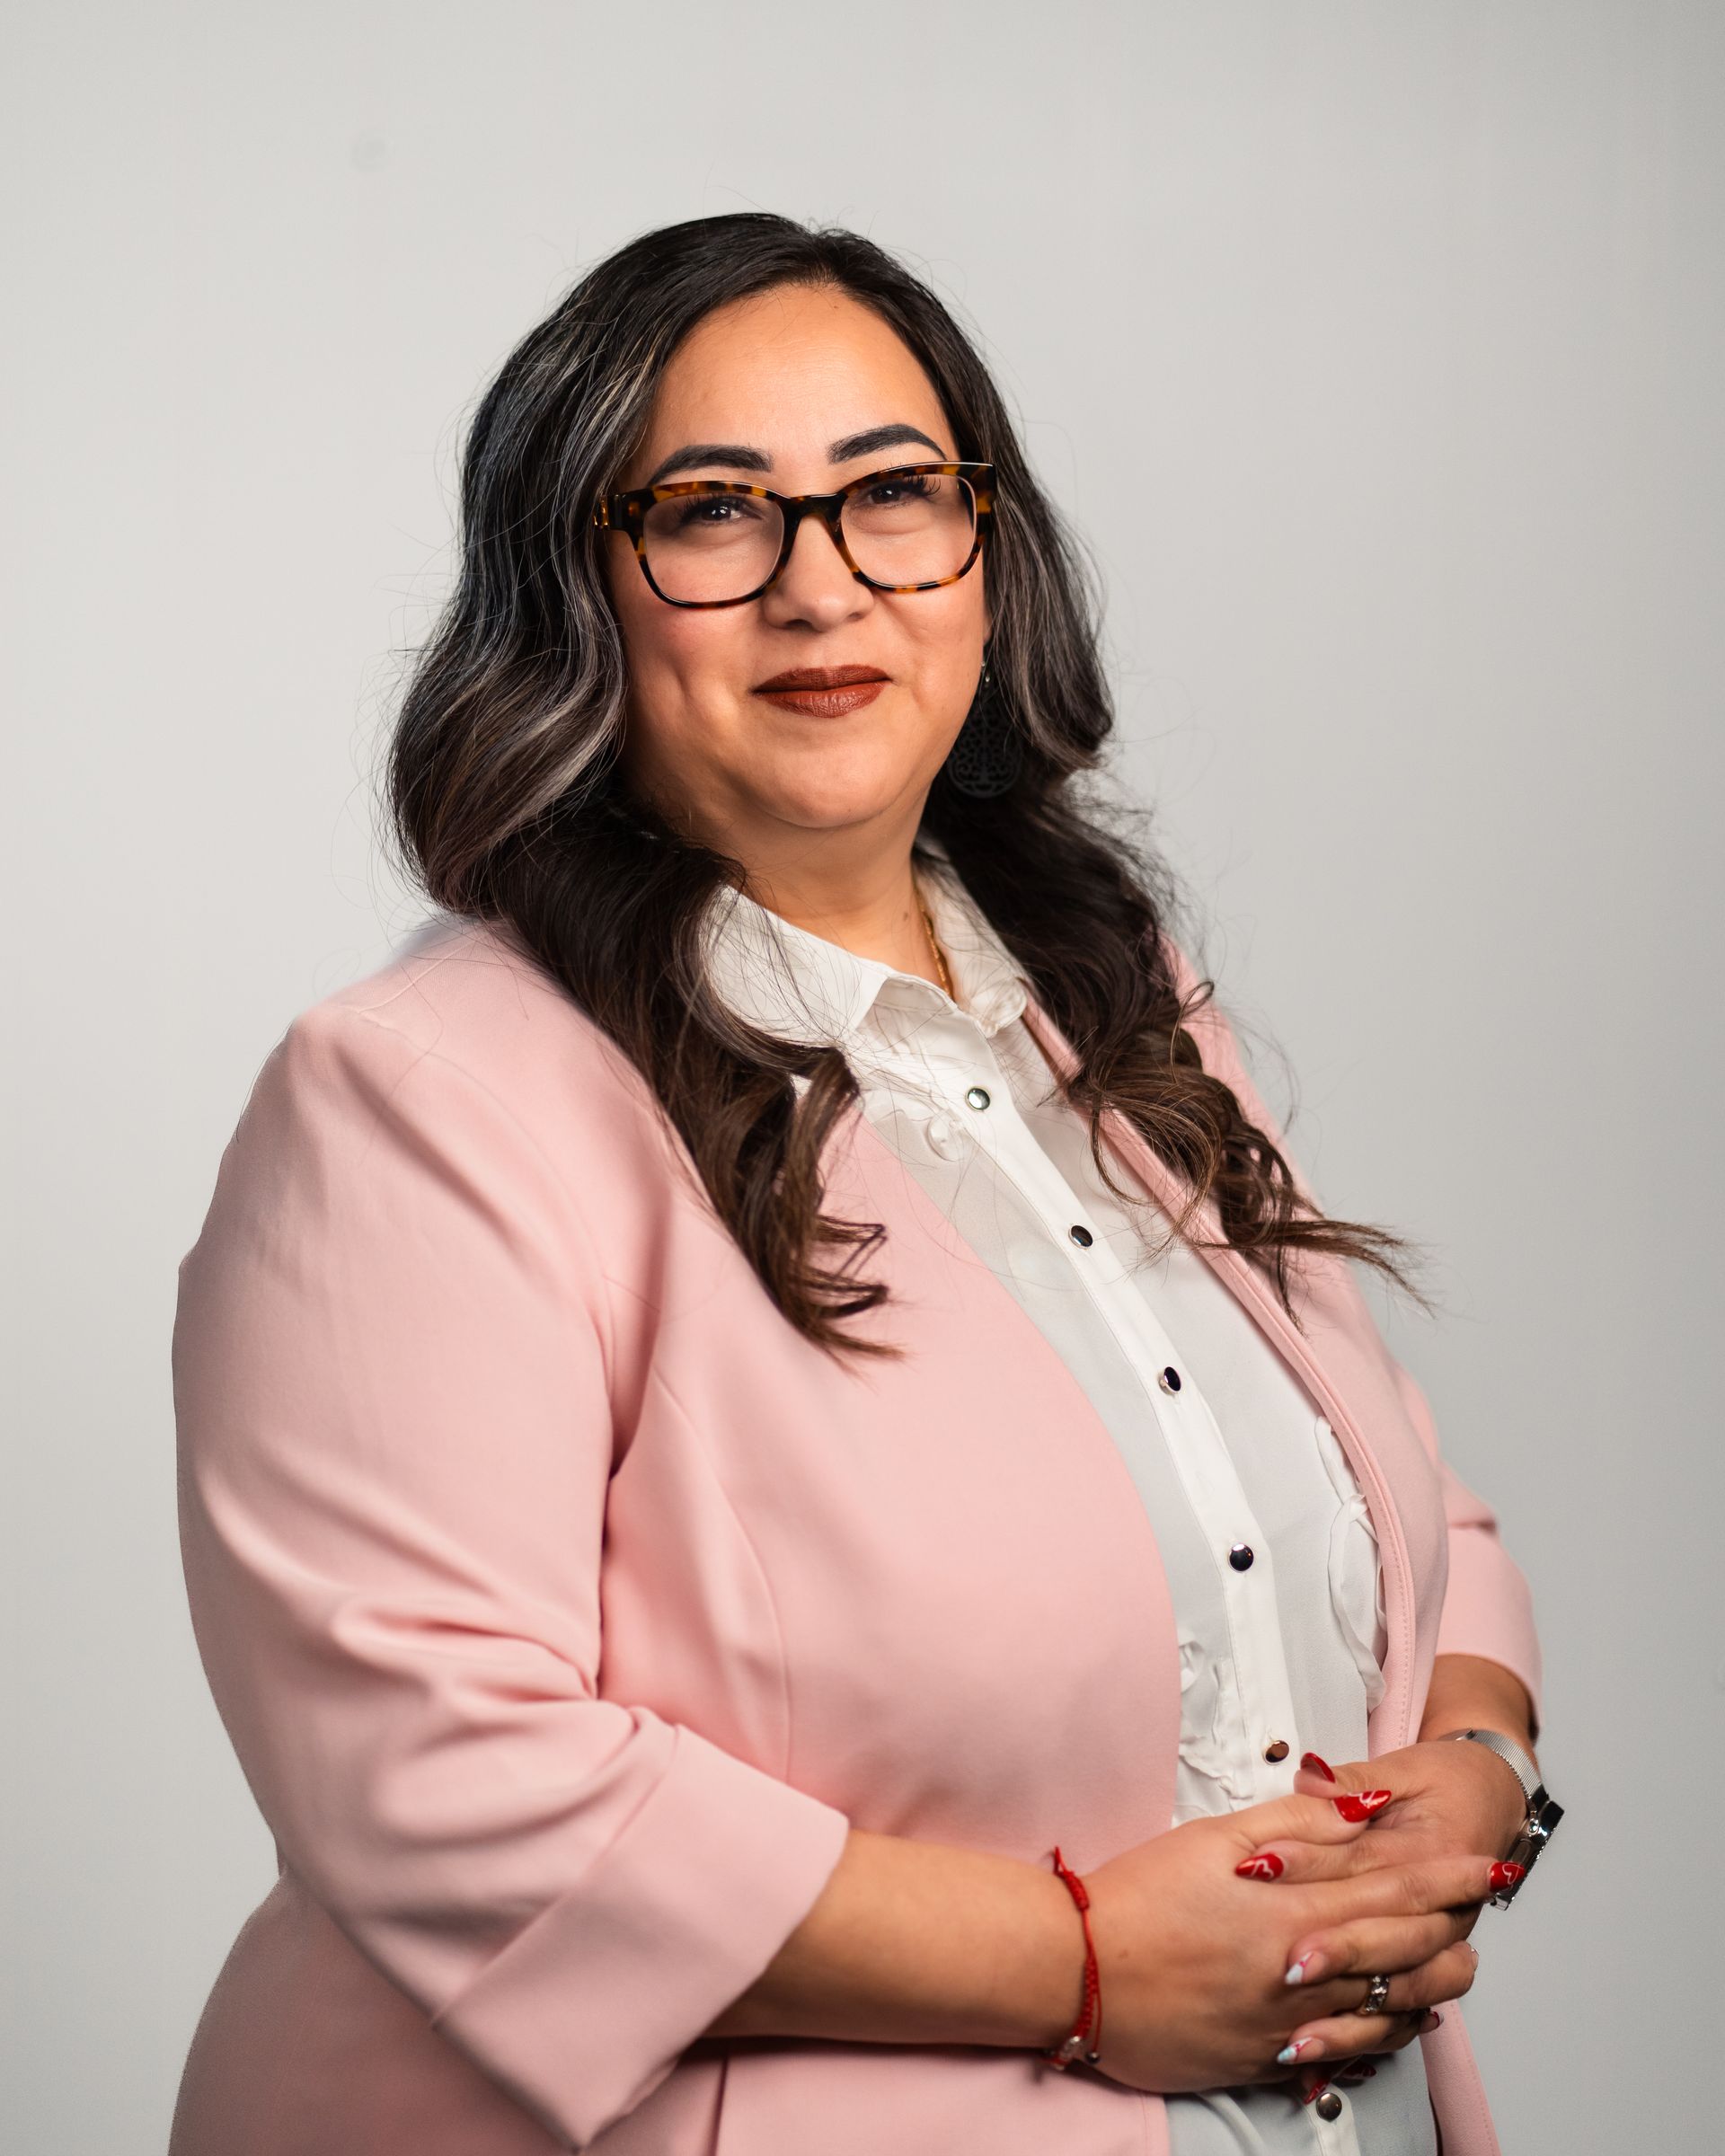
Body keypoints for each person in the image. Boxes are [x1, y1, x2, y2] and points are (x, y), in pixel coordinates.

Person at [169, 214, 1556, 2156]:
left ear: (985, 559)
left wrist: (1479, 1766)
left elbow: (1392, 1495)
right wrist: (1077, 1963)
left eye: (894, 493)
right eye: (716, 511)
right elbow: (434, 1770)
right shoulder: (417, 1100)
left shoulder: (1118, 1007)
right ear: (580, 588)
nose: (822, 586)